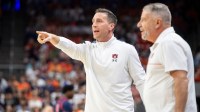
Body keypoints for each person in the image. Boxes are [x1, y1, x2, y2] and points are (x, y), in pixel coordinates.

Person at [37, 8, 145, 112]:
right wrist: (52, 37)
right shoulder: (88, 50)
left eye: (99, 21)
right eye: (93, 21)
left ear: (111, 26)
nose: (94, 24)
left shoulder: (127, 50)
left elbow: (141, 81)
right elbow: (70, 47)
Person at [137, 3, 197, 112]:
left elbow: (181, 79)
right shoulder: (165, 43)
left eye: (143, 20)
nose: (139, 24)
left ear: (157, 23)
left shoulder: (169, 42)